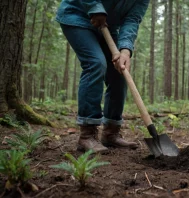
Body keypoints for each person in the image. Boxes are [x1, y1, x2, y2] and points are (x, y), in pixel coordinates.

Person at [56, 0, 150, 153]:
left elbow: (132, 20)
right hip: (78, 16)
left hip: (107, 26)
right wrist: (94, 7)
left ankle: (111, 133)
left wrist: (125, 50)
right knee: (95, 63)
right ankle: (87, 135)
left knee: (119, 71)